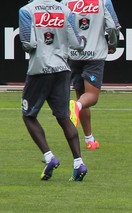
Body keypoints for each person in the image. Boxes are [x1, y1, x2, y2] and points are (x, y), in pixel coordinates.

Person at [19, 0, 88, 181]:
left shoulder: (26, 11)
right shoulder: (65, 10)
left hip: (39, 70)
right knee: (63, 117)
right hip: (62, 69)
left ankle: (49, 157)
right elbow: (77, 43)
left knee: (28, 115)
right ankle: (79, 163)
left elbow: (28, 43)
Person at [68, 0, 121, 151]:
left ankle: (89, 139)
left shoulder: (66, 2)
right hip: (94, 55)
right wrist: (112, 44)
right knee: (91, 97)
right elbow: (112, 26)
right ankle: (76, 106)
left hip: (74, 55)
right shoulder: (104, 1)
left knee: (82, 96)